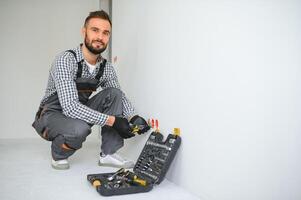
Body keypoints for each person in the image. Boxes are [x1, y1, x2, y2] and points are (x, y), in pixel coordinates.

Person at [32, 10, 149, 170]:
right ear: (84, 31)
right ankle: (58, 154)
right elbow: (70, 107)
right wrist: (114, 121)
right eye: (95, 30)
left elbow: (117, 95)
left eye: (105, 33)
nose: (100, 37)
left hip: (77, 113)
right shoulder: (66, 60)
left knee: (114, 93)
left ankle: (109, 154)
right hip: (52, 114)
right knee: (80, 129)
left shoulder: (106, 68)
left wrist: (133, 117)